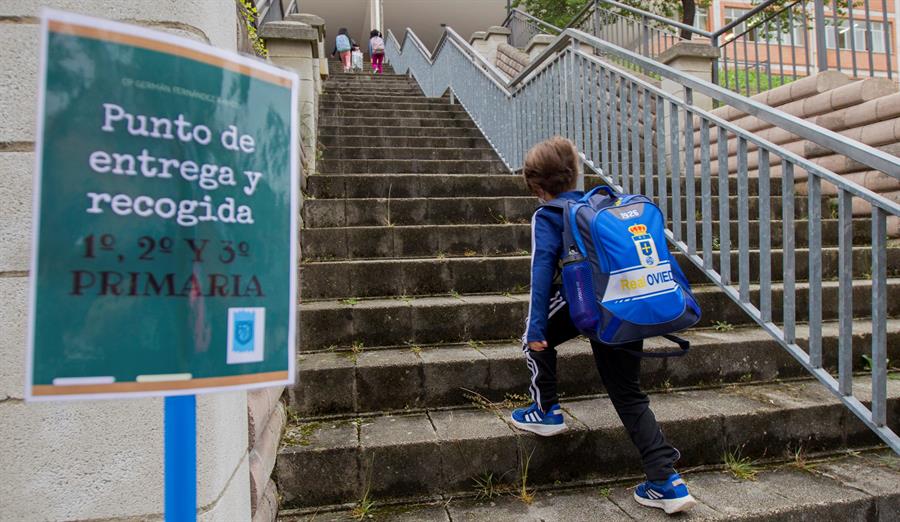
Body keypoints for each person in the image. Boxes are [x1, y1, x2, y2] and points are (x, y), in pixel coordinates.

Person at [509, 137, 697, 515]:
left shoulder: (548, 214)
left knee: (533, 330)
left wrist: (536, 330)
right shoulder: (600, 204)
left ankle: (545, 409)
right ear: (576, 171)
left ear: (536, 186)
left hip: (588, 305)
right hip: (622, 306)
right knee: (628, 393)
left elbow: (542, 269)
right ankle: (667, 481)